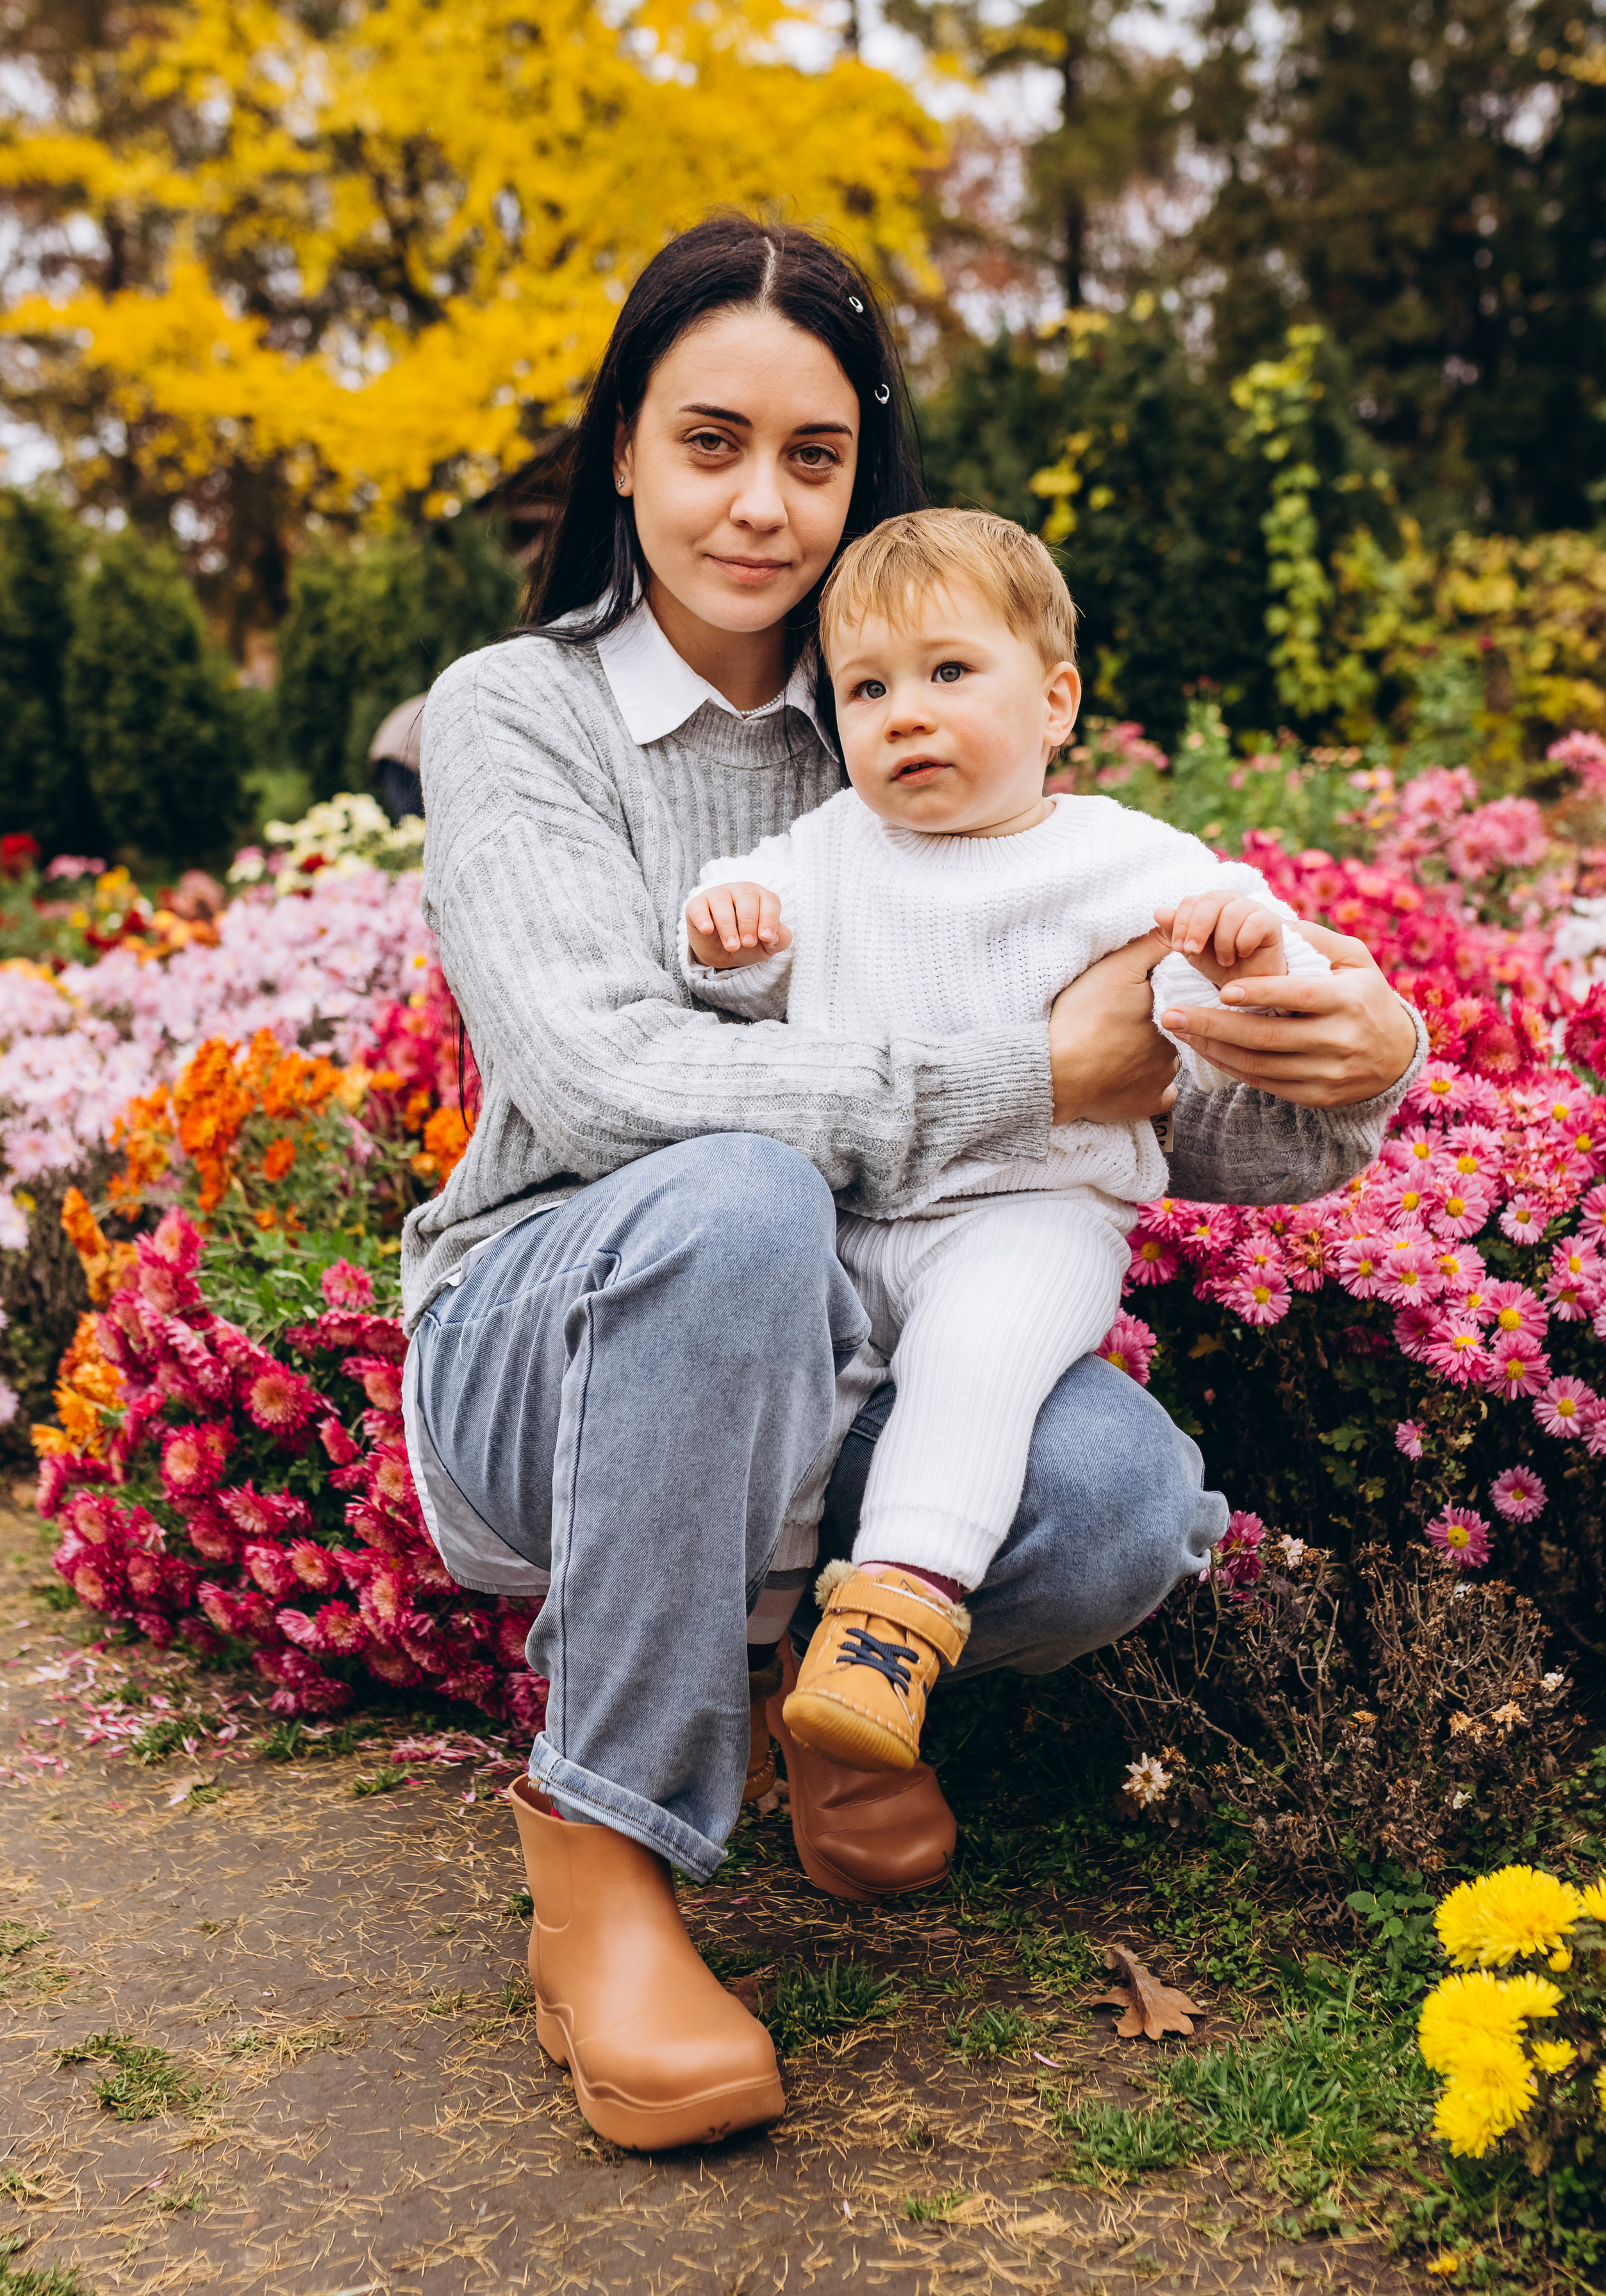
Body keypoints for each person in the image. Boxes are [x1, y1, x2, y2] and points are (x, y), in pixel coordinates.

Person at [399, 214, 1426, 2153]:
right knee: (739, 1196)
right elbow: (612, 1082)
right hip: (556, 1323)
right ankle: (602, 1849)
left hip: (862, 1324)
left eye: (817, 453)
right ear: (622, 447)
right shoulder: (516, 711)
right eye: (710, 442)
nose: (764, 506)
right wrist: (1033, 1062)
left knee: (1122, 1494)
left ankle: (828, 1685)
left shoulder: (919, 709)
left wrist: (1346, 1065)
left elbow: (1135, 1101)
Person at [679, 508, 1332, 1776]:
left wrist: (1247, 944)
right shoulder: (827, 850)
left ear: (1053, 701)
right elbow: (734, 973)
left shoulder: (1117, 856)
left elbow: (1259, 956)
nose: (903, 713)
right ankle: (757, 1653)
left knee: (972, 1369)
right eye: (865, 688)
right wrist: (729, 926)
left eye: (946, 672)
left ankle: (891, 1622)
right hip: (854, 1206)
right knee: (790, 1395)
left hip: (1028, 1213)